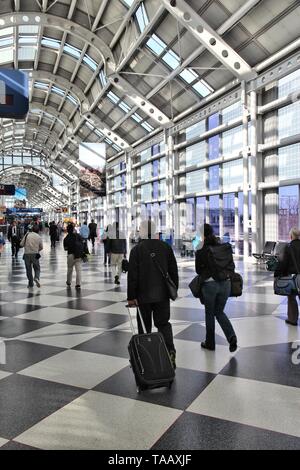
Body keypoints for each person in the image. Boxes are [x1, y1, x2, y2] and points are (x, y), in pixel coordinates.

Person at [127, 219, 178, 369]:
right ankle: (170, 351)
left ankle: (146, 356)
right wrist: (173, 289)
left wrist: (131, 297)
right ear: (155, 231)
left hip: (143, 296)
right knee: (163, 324)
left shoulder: (136, 250)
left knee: (144, 327)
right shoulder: (165, 247)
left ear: (142, 231)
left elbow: (133, 276)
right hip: (162, 294)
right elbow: (173, 271)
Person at [195, 223, 237, 352]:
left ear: (202, 235)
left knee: (209, 314)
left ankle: (210, 343)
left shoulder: (200, 249)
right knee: (219, 312)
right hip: (226, 283)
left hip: (209, 285)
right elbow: (231, 265)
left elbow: (198, 270)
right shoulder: (222, 246)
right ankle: (231, 337)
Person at [275, 227, 300, 326]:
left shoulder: (288, 247)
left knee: (292, 298)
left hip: (294, 277)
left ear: (291, 236)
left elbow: (283, 263)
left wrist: (277, 274)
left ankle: (292, 319)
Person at [63, 223, 84, 290]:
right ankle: (78, 284)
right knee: (78, 270)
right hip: (78, 255)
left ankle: (69, 282)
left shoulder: (66, 238)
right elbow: (83, 242)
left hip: (70, 255)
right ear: (73, 229)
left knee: (70, 269)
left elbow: (65, 248)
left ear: (67, 230)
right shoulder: (78, 235)